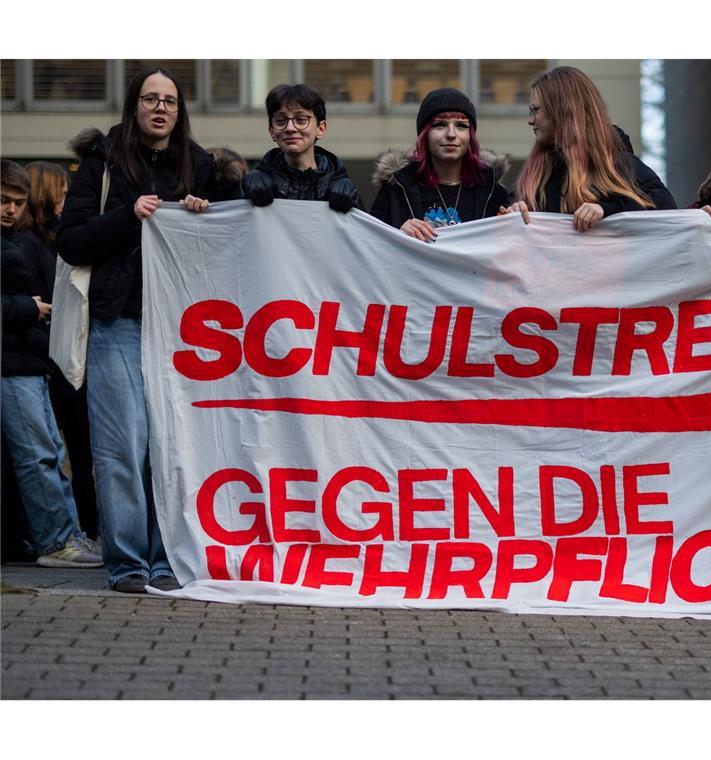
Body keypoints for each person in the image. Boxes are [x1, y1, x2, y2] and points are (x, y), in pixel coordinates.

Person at [56, 66, 226, 593]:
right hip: (119, 324)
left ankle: (167, 558)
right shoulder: (101, 164)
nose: (160, 108)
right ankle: (128, 562)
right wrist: (129, 216)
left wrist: (203, 214)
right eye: (150, 99)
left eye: (170, 101)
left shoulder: (200, 167)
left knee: (174, 447)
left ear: (181, 110)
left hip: (185, 334)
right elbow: (73, 242)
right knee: (122, 448)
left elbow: (228, 243)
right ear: (134, 107)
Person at [1, 159, 102, 569]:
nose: (10, 209)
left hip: (26, 360)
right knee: (38, 453)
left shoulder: (17, 240)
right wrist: (28, 309)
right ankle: (57, 540)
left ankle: (62, 535)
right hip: (13, 362)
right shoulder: (20, 243)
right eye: (3, 201)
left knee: (47, 451)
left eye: (17, 202)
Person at [502, 65, 676, 231]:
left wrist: (606, 210)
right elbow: (500, 218)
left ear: (561, 109)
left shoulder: (616, 162)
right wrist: (513, 211)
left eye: (535, 110)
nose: (530, 120)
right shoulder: (536, 174)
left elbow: (665, 207)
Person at [370, 88, 511, 242]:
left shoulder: (492, 191)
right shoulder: (396, 188)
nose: (451, 134)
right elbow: (373, 246)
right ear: (425, 135)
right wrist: (398, 233)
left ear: (470, 136)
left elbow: (507, 253)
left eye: (461, 126)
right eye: (440, 125)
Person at [241, 84, 362, 212]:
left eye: (301, 119)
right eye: (280, 121)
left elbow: (366, 231)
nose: (290, 128)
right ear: (271, 131)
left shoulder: (341, 189)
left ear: (321, 129)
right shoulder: (252, 185)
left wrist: (354, 204)